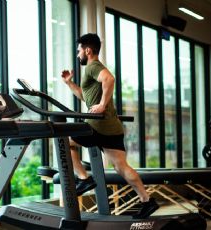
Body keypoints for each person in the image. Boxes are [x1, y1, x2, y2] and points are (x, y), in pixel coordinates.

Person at [61, 33, 159, 219]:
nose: (78, 55)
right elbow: (86, 97)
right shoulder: (92, 70)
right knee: (121, 167)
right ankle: (147, 200)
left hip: (97, 125)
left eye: (79, 50)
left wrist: (102, 105)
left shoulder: (93, 67)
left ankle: (84, 179)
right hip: (112, 127)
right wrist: (69, 83)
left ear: (87, 50)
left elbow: (110, 79)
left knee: (65, 140)